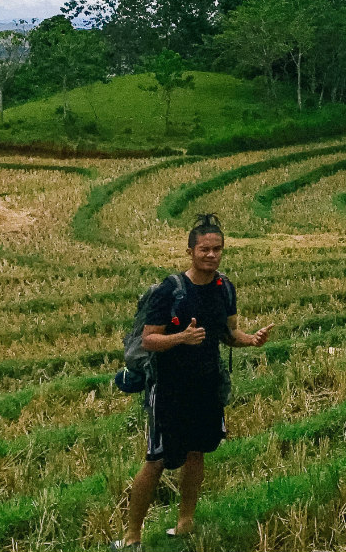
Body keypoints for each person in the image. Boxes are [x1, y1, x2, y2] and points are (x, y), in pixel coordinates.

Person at [113, 213, 273, 551]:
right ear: (190, 251)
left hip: (206, 384)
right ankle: (132, 537)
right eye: (204, 249)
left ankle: (185, 522)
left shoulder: (224, 287)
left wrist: (251, 340)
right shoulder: (169, 291)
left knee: (197, 452)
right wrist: (181, 338)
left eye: (217, 249)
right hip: (169, 387)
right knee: (156, 460)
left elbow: (228, 334)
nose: (211, 255)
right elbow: (149, 341)